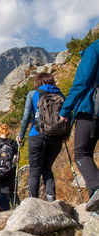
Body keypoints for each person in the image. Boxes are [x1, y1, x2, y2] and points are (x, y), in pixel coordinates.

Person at [60, 39, 99, 216]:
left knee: (82, 153)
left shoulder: (94, 49)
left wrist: (66, 110)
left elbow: (81, 83)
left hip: (91, 110)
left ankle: (97, 191)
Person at [17, 73, 65, 202]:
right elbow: (67, 115)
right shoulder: (60, 94)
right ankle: (51, 198)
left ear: (38, 82)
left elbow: (26, 117)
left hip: (36, 135)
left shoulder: (33, 94)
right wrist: (66, 135)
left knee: (34, 170)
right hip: (56, 137)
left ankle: (34, 201)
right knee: (47, 168)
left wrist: (21, 136)